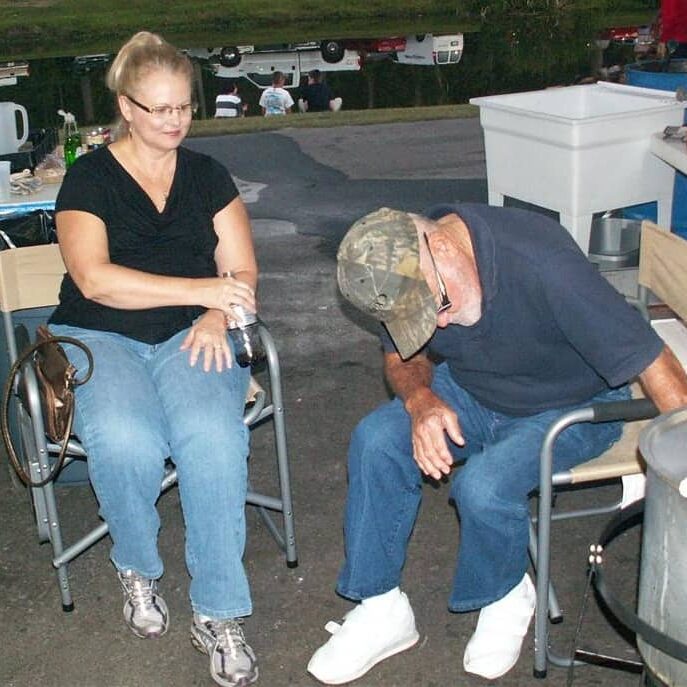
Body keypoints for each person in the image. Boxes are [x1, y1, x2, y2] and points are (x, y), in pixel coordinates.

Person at [307, 204, 687, 684]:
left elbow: (653, 362)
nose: (437, 326)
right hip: (472, 388)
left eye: (437, 310)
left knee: (484, 487)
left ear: (443, 248)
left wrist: (684, 475)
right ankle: (382, 607)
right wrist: (421, 399)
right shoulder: (395, 268)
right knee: (376, 441)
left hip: (568, 404)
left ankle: (505, 593)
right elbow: (402, 359)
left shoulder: (542, 262)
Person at [49, 31, 260, 687]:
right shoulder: (88, 177)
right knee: (125, 439)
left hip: (189, 334)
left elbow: (243, 268)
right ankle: (136, 565)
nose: (173, 122)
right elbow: (95, 279)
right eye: (158, 108)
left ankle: (220, 612)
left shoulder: (206, 176)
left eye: (183, 108)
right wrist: (203, 289)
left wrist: (216, 312)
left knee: (213, 441)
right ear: (126, 105)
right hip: (99, 331)